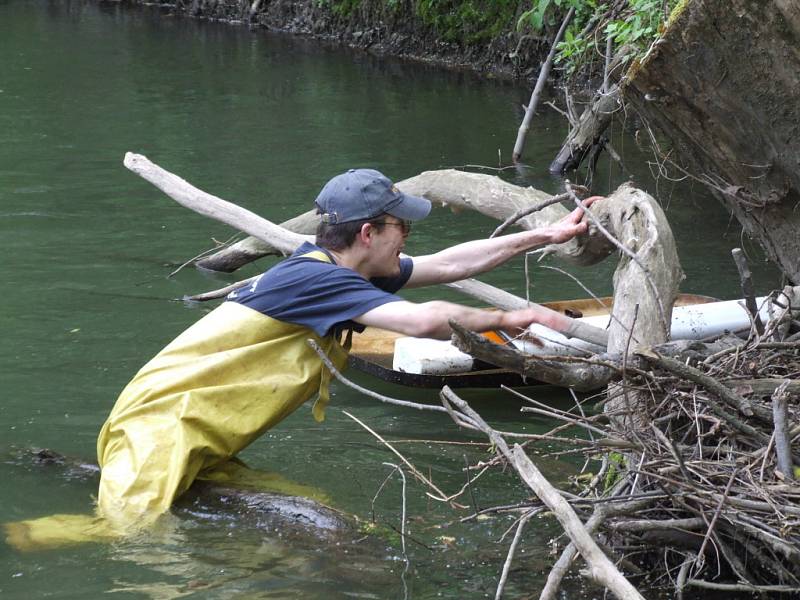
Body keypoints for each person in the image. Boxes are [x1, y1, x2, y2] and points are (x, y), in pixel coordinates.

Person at [23, 169, 595, 544]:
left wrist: (543, 237)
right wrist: (512, 317)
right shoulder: (319, 283)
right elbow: (423, 321)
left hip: (199, 437)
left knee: (327, 523)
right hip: (158, 430)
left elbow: (449, 264)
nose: (408, 238)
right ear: (369, 232)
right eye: (401, 227)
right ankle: (19, 537)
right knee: (128, 540)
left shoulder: (332, 267)